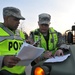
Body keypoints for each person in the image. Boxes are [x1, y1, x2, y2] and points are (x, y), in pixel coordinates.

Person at [0, 6, 26, 75]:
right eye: (16, 19)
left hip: (22, 72)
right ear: (6, 18)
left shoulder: (20, 33)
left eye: (19, 20)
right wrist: (3, 60)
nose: (18, 22)